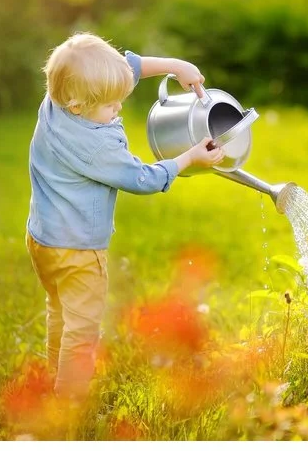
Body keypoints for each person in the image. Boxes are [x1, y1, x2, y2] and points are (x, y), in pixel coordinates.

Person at [25, 32, 224, 400]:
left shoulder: (56, 102)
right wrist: (188, 159)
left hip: (42, 240)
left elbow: (123, 69)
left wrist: (175, 66)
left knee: (60, 310)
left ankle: (56, 376)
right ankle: (67, 407)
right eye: (110, 105)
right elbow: (142, 178)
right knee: (83, 333)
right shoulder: (96, 147)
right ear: (78, 103)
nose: (118, 108)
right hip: (79, 252)